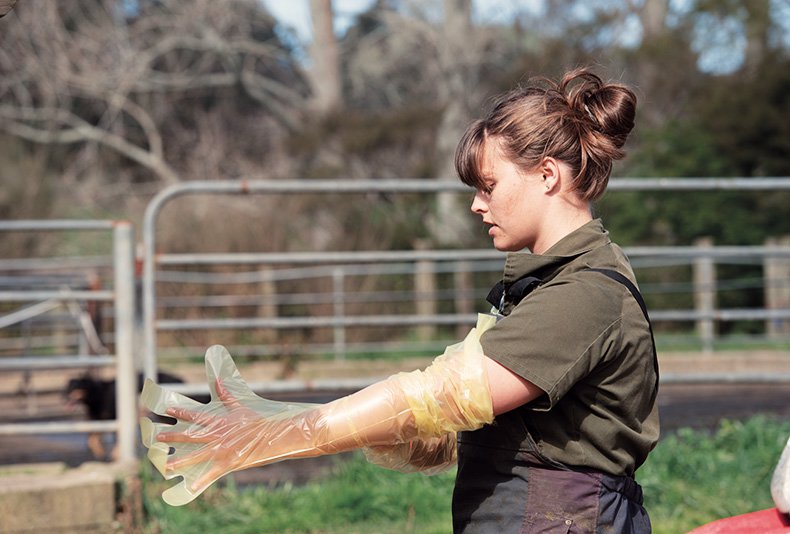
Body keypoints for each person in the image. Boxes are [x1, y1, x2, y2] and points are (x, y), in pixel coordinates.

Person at [141, 67, 659, 533]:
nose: (477, 205)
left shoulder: (585, 293)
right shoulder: (545, 286)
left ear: (547, 176)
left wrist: (272, 437)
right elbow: (443, 430)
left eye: (488, 185)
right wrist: (273, 419)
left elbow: (443, 395)